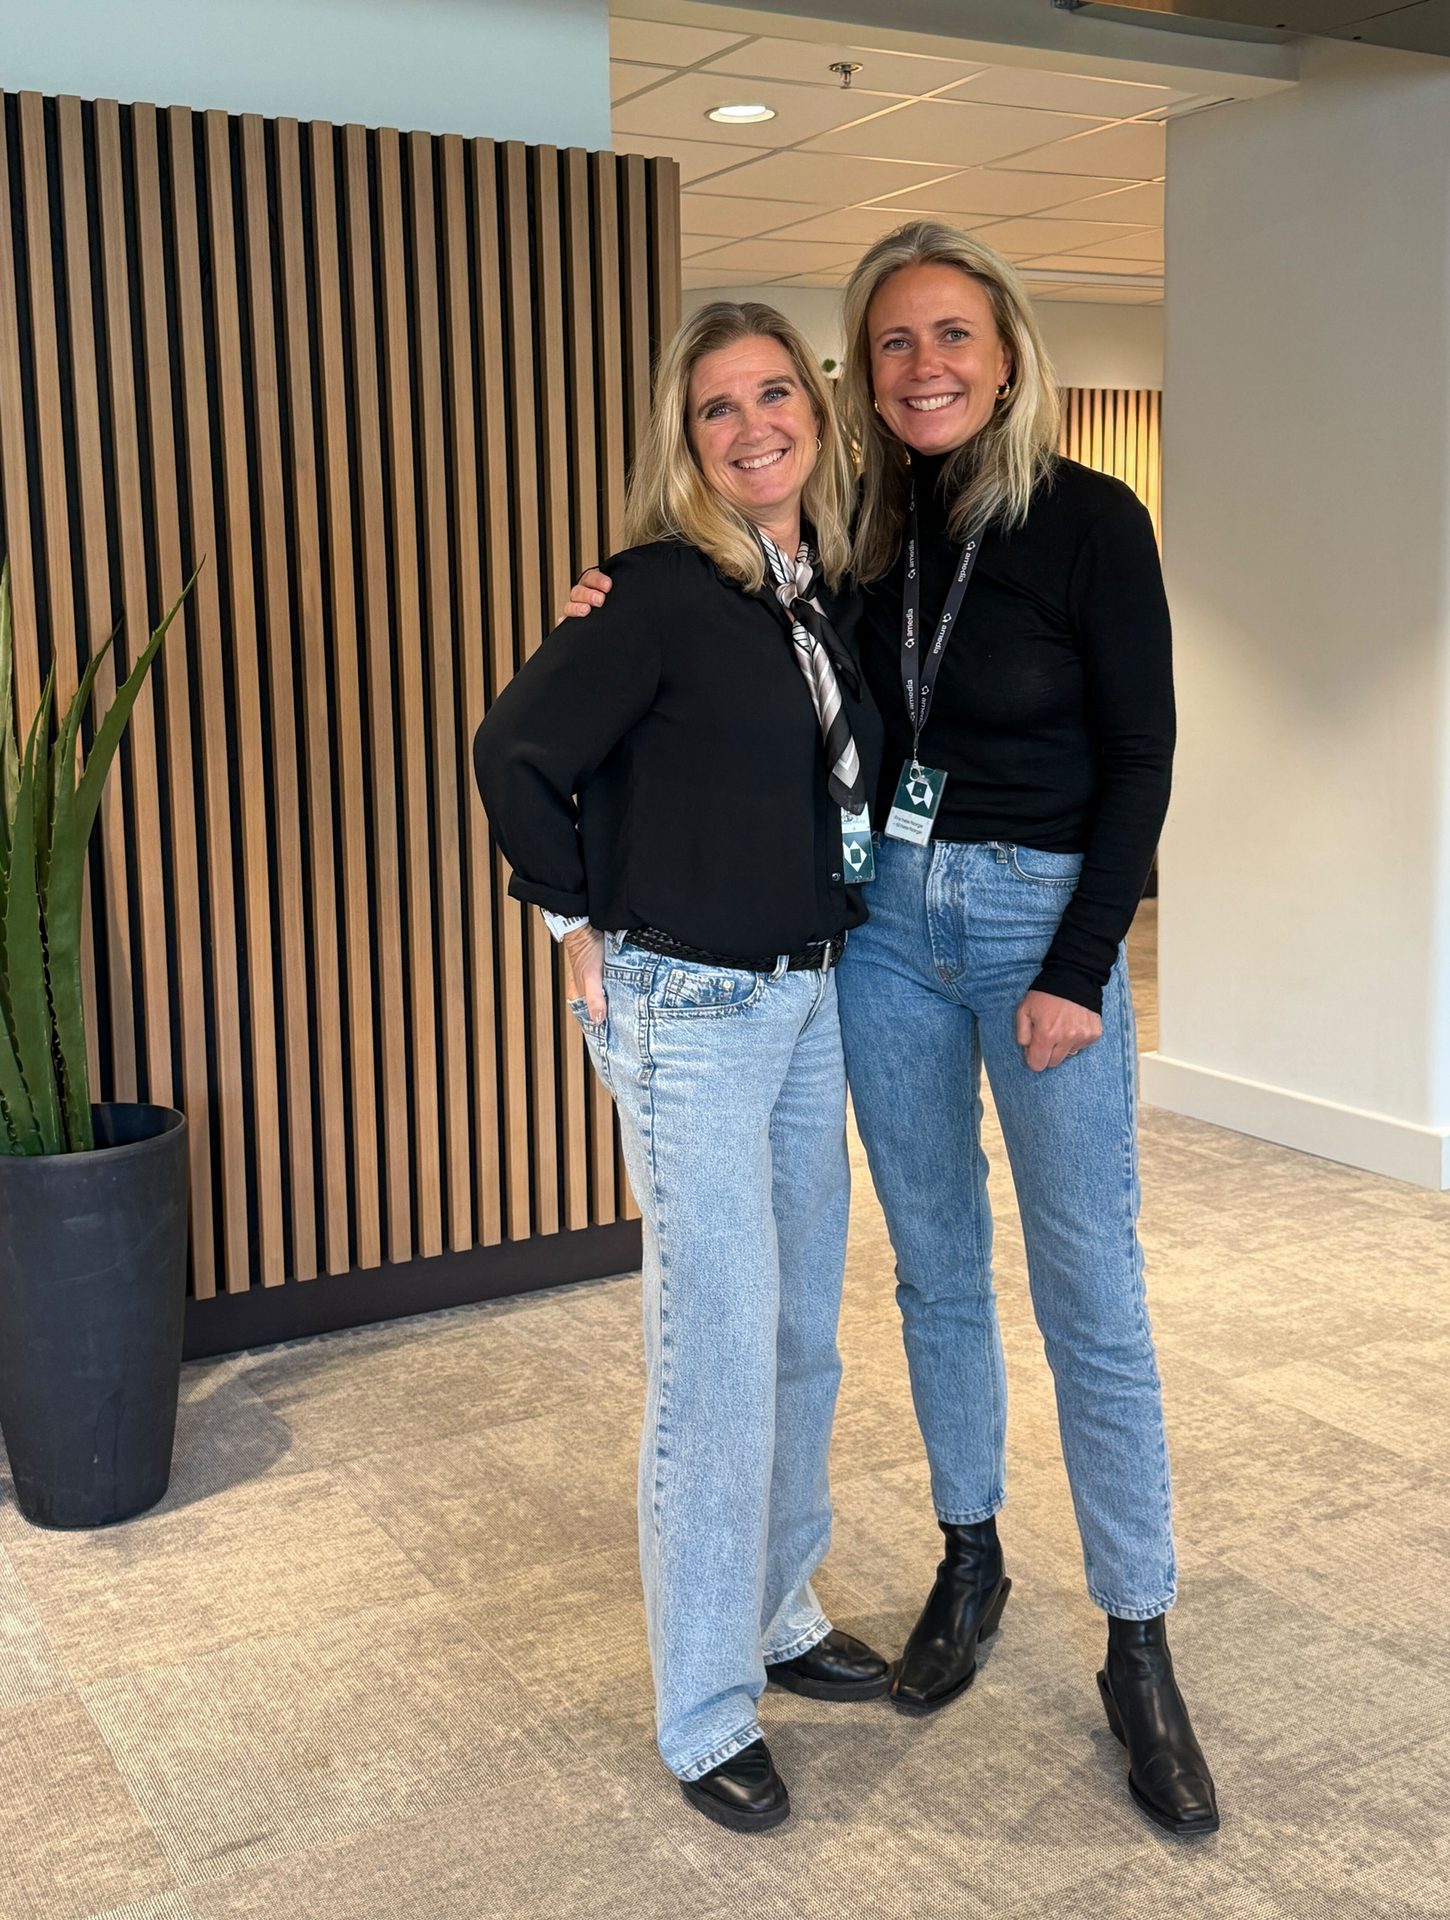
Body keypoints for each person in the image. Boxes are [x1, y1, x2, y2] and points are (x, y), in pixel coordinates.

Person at [561, 222, 1218, 1838]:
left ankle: (1138, 1640)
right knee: (930, 1267)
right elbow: (728, 676)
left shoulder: (1087, 522)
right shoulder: (844, 534)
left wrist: (1085, 963)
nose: (926, 367)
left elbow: (1142, 756)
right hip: (878, 935)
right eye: (895, 343)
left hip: (1037, 931)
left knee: (1091, 1286)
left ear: (1005, 351)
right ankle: (968, 1554)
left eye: (953, 335)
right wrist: (612, 602)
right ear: (868, 374)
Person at [473, 301, 887, 1835]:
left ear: (814, 416)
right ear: (685, 439)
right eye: (718, 407)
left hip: (806, 997)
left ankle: (777, 1615)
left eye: (775, 392)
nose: (752, 423)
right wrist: (578, 917)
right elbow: (513, 751)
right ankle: (706, 1704)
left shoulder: (812, 590)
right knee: (713, 1359)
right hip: (691, 1011)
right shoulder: (648, 592)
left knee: (796, 1337)